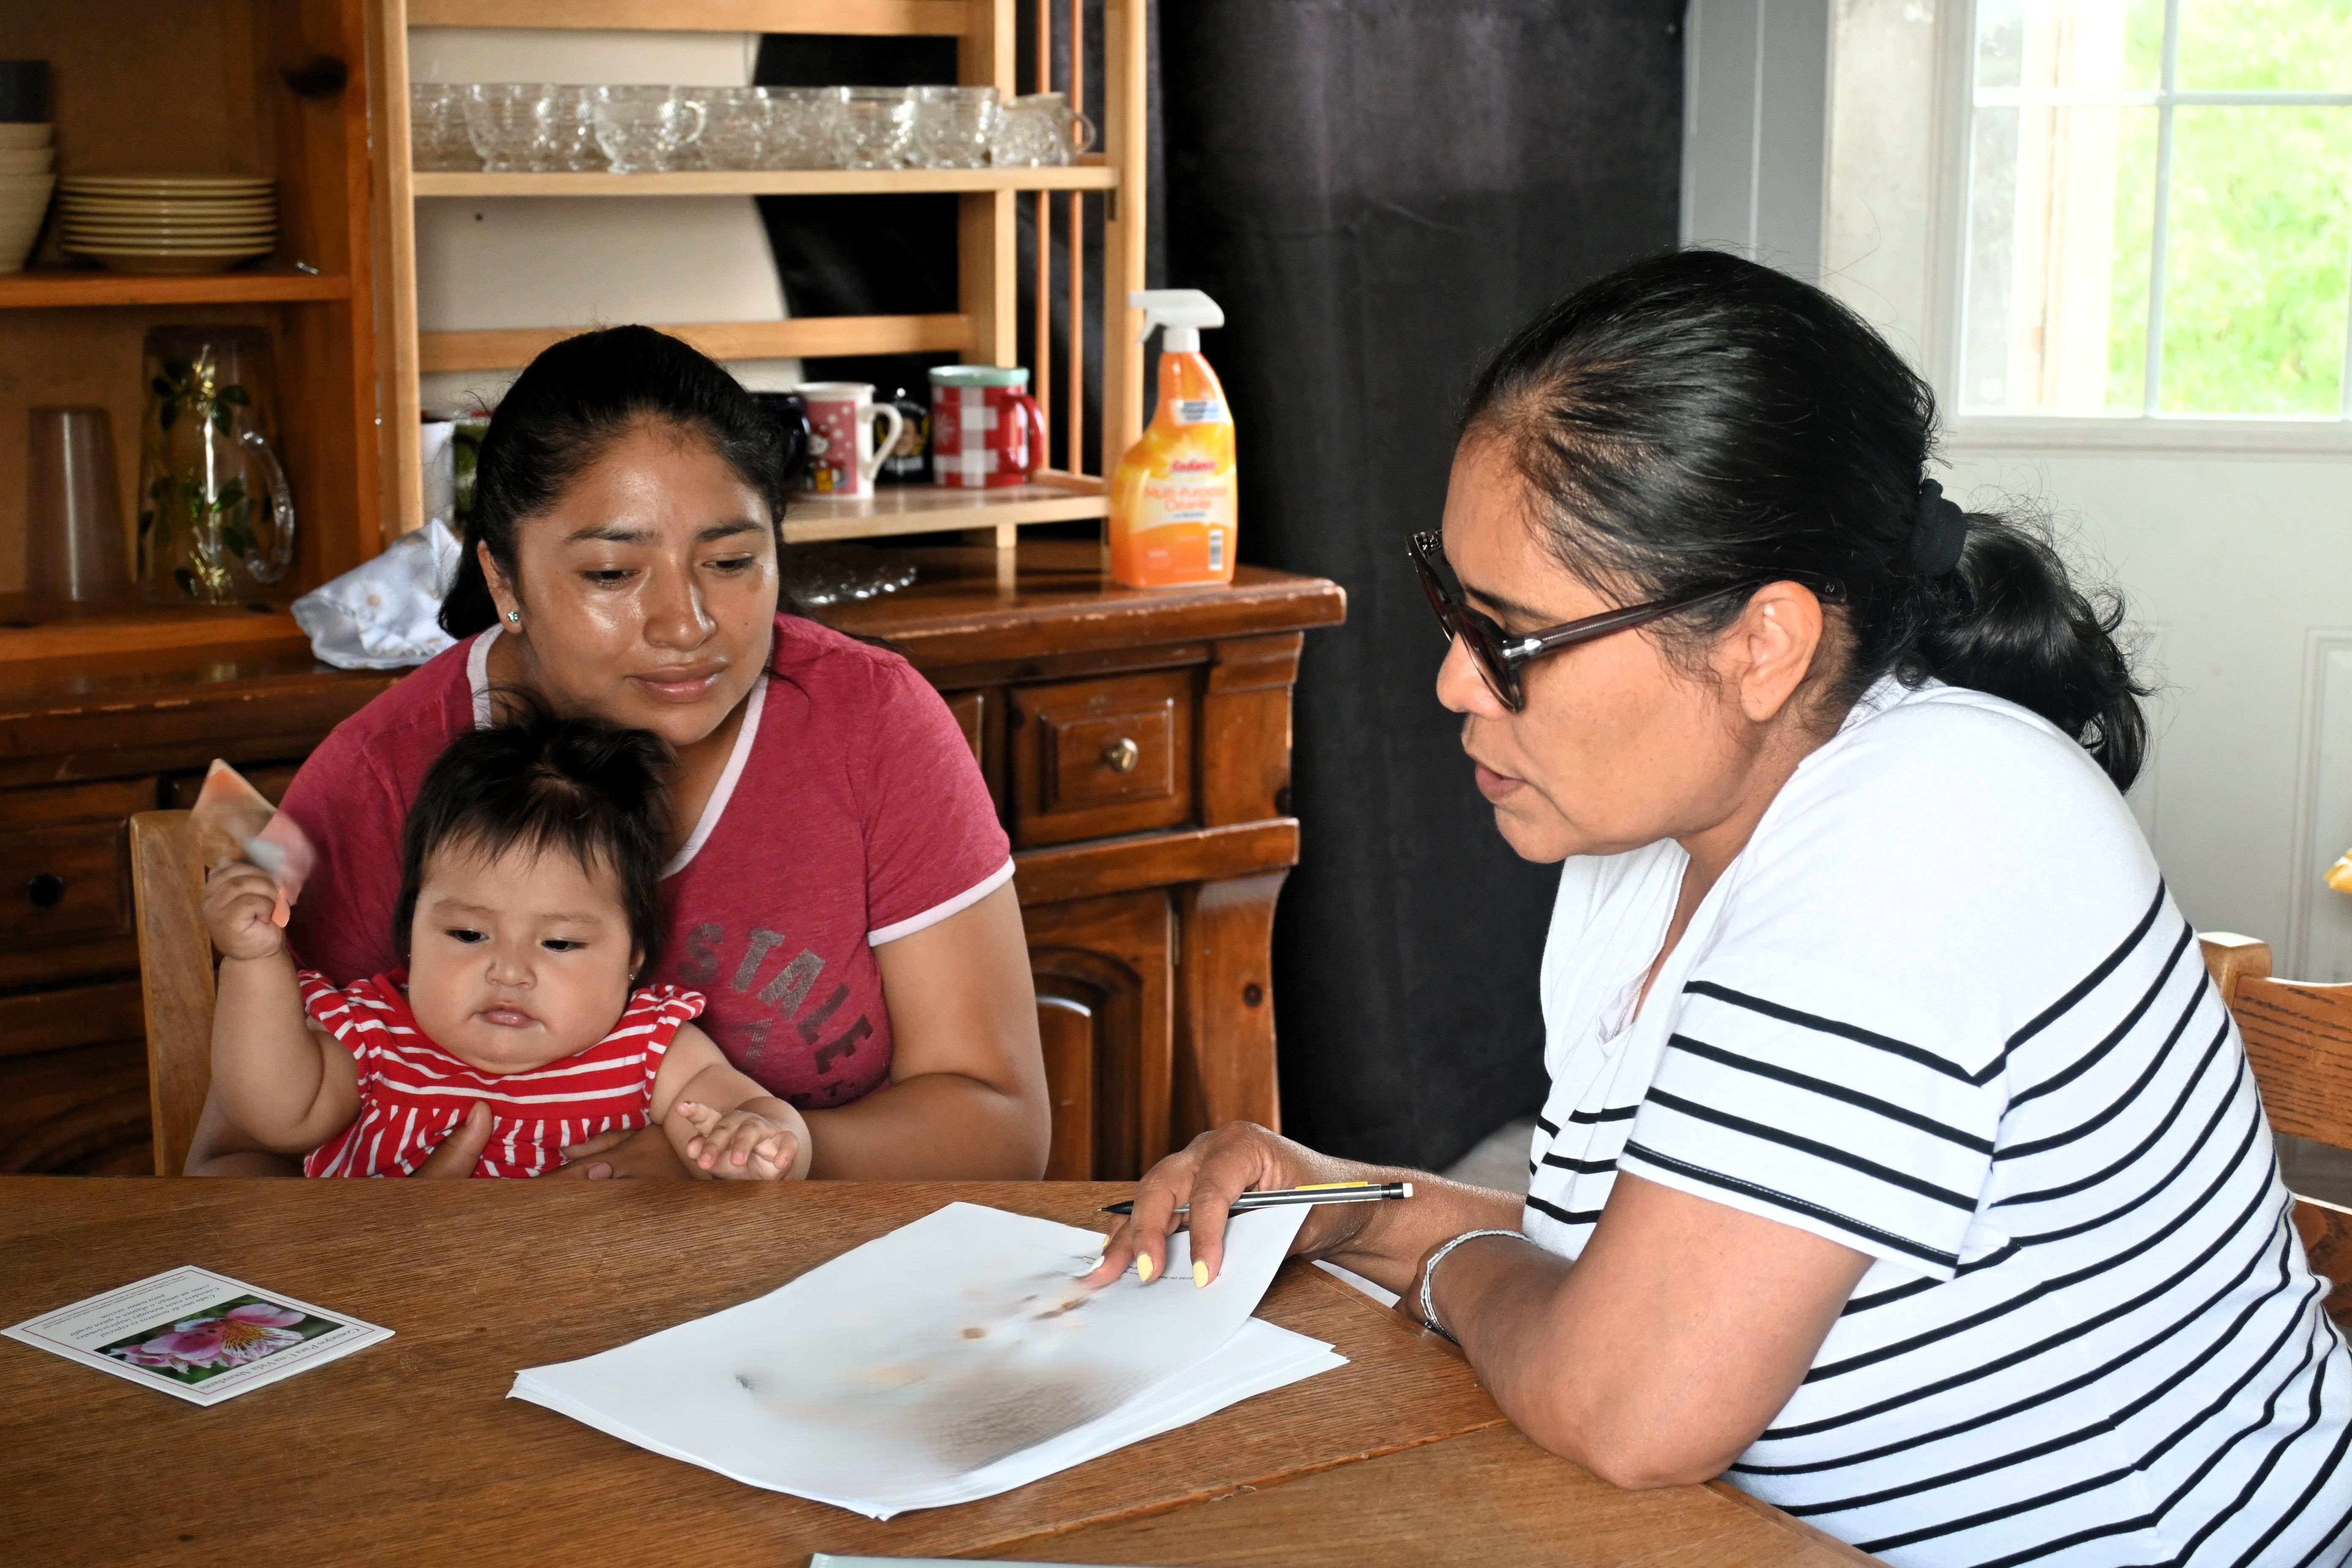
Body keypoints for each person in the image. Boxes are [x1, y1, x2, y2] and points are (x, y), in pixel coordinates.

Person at [1092, 251, 2352, 1563]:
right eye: (1449, 604)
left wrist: (1450, 1272)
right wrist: (1343, 1201)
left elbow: (1630, 1400)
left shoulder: (1924, 833)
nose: (1455, 684)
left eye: (1512, 639)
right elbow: (1650, 1263)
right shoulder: (1657, 844)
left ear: (1765, 645)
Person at [185, 325, 1049, 1181]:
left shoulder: (875, 720)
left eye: (733, 560)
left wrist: (771, 1158)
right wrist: (404, 1234)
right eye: (612, 574)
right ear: (503, 580)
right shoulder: (372, 770)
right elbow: (232, 1158)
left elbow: (1001, 1124)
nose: (687, 623)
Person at [206, 708, 808, 1181]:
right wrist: (254, 960)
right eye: (468, 934)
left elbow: (762, 1118)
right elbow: (274, 1116)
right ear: (410, 934)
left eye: (561, 943)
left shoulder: (648, 1053)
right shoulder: (374, 1038)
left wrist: (753, 1142)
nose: (509, 971)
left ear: (633, 956)